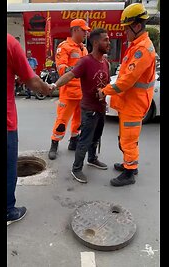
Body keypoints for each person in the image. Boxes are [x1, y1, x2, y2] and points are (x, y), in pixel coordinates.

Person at [97, 3, 156, 187]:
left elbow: (126, 81)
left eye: (126, 28)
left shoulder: (142, 50)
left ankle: (130, 172)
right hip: (130, 101)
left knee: (129, 139)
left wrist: (104, 91)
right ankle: (128, 164)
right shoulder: (137, 45)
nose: (125, 32)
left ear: (137, 26)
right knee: (125, 137)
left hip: (135, 103)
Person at [50, 28, 111, 183]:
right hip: (88, 107)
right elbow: (69, 75)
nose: (109, 42)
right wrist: (54, 86)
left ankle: (92, 158)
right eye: (106, 40)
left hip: (101, 107)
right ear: (96, 42)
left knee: (96, 137)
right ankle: (76, 169)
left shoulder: (106, 63)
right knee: (84, 139)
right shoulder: (85, 61)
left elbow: (107, 84)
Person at [7, 34, 52, 225]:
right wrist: (46, 88)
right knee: (9, 167)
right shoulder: (10, 43)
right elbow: (32, 81)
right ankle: (8, 210)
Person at [47, 19, 90, 160]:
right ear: (76, 30)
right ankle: (54, 144)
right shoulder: (64, 47)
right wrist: (76, 69)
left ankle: (73, 142)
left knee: (78, 122)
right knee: (61, 121)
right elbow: (61, 69)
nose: (86, 33)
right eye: (83, 30)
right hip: (69, 93)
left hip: (82, 93)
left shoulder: (83, 48)